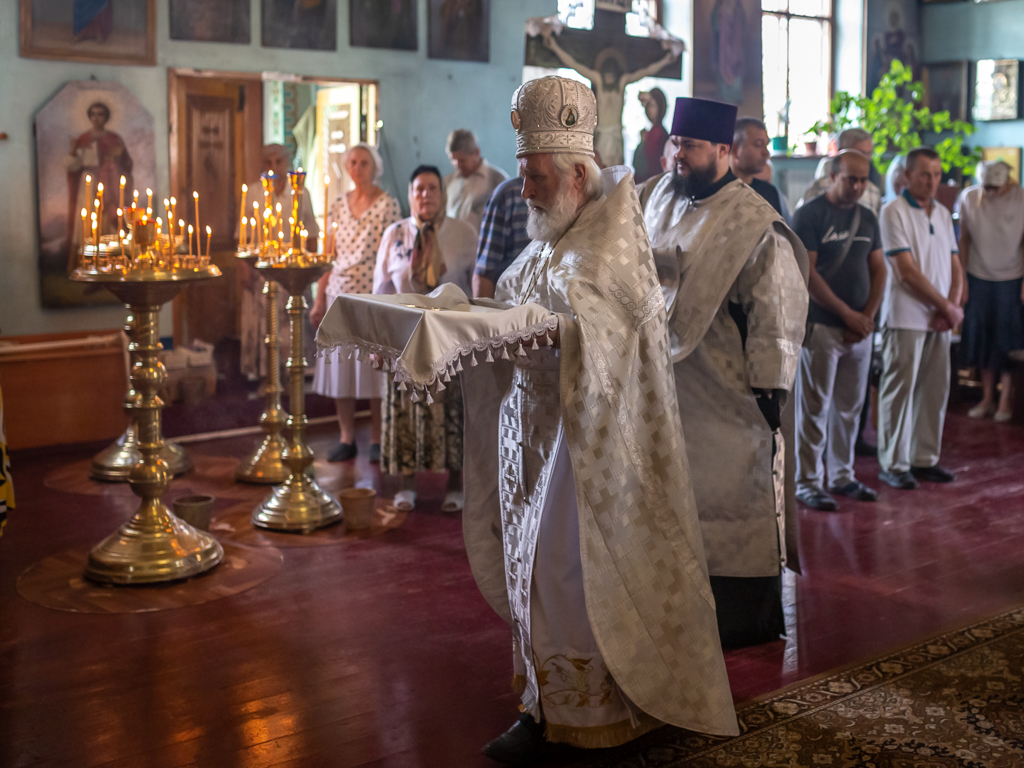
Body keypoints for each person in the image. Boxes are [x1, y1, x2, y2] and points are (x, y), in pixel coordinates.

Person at [476, 76, 736, 761]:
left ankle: (593, 716)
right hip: (531, 433)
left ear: (577, 173)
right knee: (531, 570)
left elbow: (610, 336)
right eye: (526, 174)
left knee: (570, 573)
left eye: (535, 177)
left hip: (587, 446)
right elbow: (517, 294)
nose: (524, 189)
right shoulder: (553, 233)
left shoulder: (610, 247)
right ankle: (544, 704)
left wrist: (538, 332)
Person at [640, 96, 809, 649]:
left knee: (733, 499)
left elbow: (776, 313)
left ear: (722, 151)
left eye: (690, 147)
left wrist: (768, 394)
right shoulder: (657, 196)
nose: (678, 156)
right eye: (675, 145)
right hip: (665, 385)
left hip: (730, 390)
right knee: (674, 499)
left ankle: (742, 619)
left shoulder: (754, 222)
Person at [373, 166, 477, 511]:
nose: (425, 195)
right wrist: (377, 341)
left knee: (452, 411)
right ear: (409, 194)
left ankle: (456, 484)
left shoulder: (463, 233)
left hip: (450, 336)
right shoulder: (395, 234)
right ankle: (406, 484)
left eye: (432, 188)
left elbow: (476, 287)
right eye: (419, 189)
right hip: (405, 336)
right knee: (406, 409)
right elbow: (381, 290)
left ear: (442, 194)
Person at [792, 151, 887, 511]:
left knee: (850, 407)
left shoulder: (867, 217)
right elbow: (809, 273)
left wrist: (868, 316)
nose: (858, 187)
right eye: (851, 179)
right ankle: (808, 482)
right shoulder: (811, 215)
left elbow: (878, 268)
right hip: (823, 326)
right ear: (833, 175)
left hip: (860, 329)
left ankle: (843, 475)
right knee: (815, 408)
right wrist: (848, 315)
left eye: (863, 180)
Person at [877, 147, 963, 490]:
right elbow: (905, 272)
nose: (932, 181)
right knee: (899, 391)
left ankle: (924, 458)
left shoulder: (942, 212)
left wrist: (951, 307)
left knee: (933, 390)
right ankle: (894, 463)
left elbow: (955, 264)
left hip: (941, 319)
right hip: (907, 315)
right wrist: (946, 306)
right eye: (925, 174)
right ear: (907, 176)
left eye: (937, 174)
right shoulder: (892, 212)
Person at [310, 144, 401, 462]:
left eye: (364, 163)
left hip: (373, 295)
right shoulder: (337, 206)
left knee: (373, 370)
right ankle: (346, 436)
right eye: (352, 162)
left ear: (375, 168)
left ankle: (376, 437)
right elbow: (327, 256)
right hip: (339, 293)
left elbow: (395, 253)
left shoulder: (387, 205)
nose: (357, 168)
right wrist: (319, 299)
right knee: (341, 369)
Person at [538, 26, 681, 167]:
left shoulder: (622, 82)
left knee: (615, 173)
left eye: (612, 73)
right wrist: (554, 47)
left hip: (616, 137)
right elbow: (575, 65)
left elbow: (645, 71)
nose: (609, 76)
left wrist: (665, 60)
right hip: (602, 136)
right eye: (607, 73)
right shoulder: (599, 81)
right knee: (600, 171)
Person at [240, 144, 320, 380]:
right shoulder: (254, 192)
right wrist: (243, 268)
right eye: (268, 162)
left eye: (279, 162)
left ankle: (293, 375)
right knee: (265, 325)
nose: (273, 167)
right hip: (262, 270)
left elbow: (312, 232)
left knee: (292, 324)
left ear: (287, 163)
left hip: (293, 270)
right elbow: (243, 235)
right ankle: (267, 376)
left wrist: (311, 270)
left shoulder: (301, 193)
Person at [956, 160, 1024, 422]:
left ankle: (1005, 398)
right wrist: (962, 278)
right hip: (978, 274)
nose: (991, 192)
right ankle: (987, 398)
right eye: (987, 187)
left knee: (1008, 340)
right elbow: (964, 239)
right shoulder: (969, 197)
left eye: (996, 187)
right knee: (982, 339)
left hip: (1012, 276)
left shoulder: (1020, 198)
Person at [64, 101, 133, 271]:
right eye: (93, 114)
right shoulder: (83, 139)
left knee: (108, 223)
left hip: (110, 186)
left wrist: (115, 164)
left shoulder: (115, 139)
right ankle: (87, 266)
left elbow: (127, 164)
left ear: (106, 117)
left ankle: (112, 265)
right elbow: (72, 167)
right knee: (88, 224)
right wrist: (73, 151)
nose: (96, 118)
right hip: (88, 186)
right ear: (89, 117)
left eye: (100, 114)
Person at [798, 128, 883, 215]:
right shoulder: (819, 188)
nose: (867, 159)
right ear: (841, 151)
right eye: (861, 153)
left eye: (869, 153)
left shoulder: (874, 193)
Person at [471, 176, 530, 299]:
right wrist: (485, 317)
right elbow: (484, 273)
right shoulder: (508, 194)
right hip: (511, 310)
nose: (527, 192)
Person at [443, 129, 508, 233]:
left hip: (483, 246)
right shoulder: (448, 182)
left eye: (462, 160)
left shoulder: (497, 180)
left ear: (476, 153)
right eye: (453, 160)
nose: (457, 165)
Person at [730, 116, 785, 216]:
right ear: (735, 149)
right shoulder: (720, 192)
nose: (766, 153)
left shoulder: (769, 192)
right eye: (758, 145)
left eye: (766, 145)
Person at [632, 88, 669, 184]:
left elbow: (644, 165)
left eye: (653, 106)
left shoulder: (657, 133)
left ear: (660, 107)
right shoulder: (654, 131)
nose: (649, 109)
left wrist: (643, 142)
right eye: (648, 106)